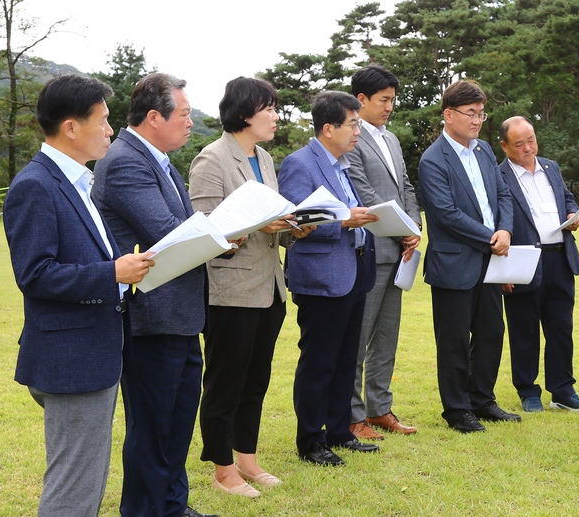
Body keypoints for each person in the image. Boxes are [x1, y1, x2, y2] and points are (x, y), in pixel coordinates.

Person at [3, 74, 154, 517]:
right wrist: (112, 273)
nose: (111, 130)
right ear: (71, 127)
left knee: (87, 478)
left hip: (94, 350)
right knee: (73, 485)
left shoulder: (76, 181)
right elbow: (35, 275)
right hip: (71, 359)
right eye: (104, 121)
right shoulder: (37, 185)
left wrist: (125, 272)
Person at [91, 73, 216, 517]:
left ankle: (172, 505)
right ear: (152, 117)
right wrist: (221, 233)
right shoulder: (126, 161)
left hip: (179, 312)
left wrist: (221, 233)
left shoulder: (159, 159)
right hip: (149, 315)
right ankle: (145, 509)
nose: (189, 123)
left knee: (178, 419)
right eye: (183, 114)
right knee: (153, 424)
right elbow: (166, 233)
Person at [188, 77, 312, 498]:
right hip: (231, 290)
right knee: (226, 380)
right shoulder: (211, 160)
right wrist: (261, 225)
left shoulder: (264, 158)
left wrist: (295, 228)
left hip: (270, 287)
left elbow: (270, 226)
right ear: (244, 113)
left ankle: (247, 458)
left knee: (255, 379)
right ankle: (222, 468)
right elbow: (205, 236)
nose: (276, 116)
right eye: (269, 108)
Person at [279, 91, 380, 466]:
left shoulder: (343, 163)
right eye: (353, 124)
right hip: (322, 277)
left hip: (355, 272)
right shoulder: (299, 164)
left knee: (345, 359)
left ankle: (339, 431)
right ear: (328, 129)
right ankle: (310, 440)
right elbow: (297, 222)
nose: (358, 131)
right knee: (319, 361)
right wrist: (344, 220)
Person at [418, 79, 518, 433]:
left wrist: (505, 230)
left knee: (491, 332)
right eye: (470, 113)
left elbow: (503, 194)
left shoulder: (485, 151)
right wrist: (491, 236)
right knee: (455, 339)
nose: (477, 121)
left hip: (491, 259)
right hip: (454, 262)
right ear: (448, 115)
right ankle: (457, 409)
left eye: (481, 113)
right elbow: (445, 214)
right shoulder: (433, 160)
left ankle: (482, 399)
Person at [344, 65, 422, 440]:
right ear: (361, 100)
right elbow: (364, 193)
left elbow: (405, 186)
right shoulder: (353, 139)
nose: (390, 106)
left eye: (393, 99)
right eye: (384, 100)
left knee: (387, 338)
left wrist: (414, 227)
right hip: (370, 251)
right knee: (359, 338)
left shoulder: (391, 140)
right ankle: (353, 415)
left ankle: (379, 408)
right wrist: (401, 229)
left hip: (400, 251)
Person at [497, 116, 579, 413]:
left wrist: (573, 214)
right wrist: (503, 268)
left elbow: (566, 198)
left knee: (562, 328)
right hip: (523, 260)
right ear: (504, 146)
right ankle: (528, 390)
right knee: (523, 328)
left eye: (532, 140)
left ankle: (563, 389)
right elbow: (496, 219)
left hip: (560, 258)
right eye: (519, 144)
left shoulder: (551, 167)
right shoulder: (498, 176)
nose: (528, 148)